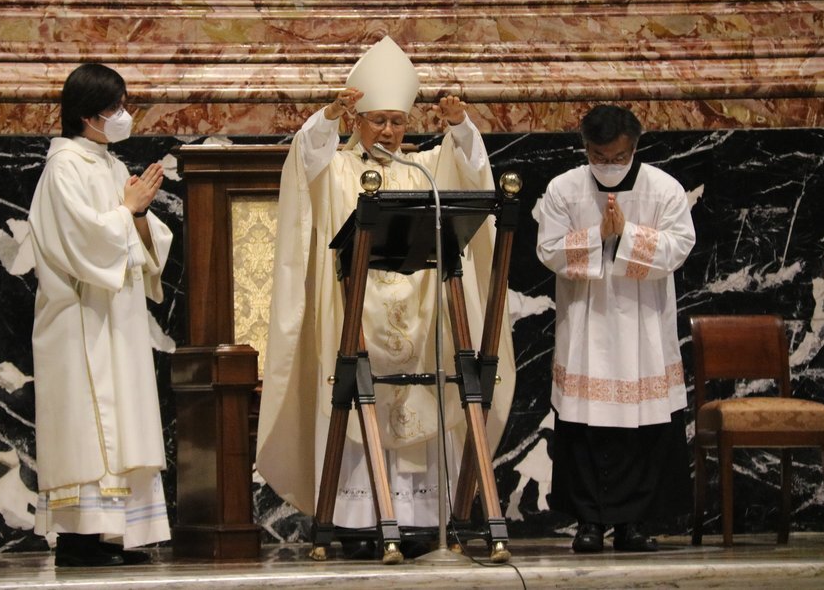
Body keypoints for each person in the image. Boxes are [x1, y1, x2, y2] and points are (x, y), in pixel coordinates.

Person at [255, 36, 516, 558]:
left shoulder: (425, 170)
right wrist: (327, 118)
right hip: (352, 312)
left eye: (398, 121)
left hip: (423, 317)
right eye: (378, 121)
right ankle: (357, 522)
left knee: (425, 398)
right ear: (359, 121)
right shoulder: (339, 168)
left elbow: (471, 168)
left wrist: (461, 126)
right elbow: (304, 161)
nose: (390, 131)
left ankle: (419, 520)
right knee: (358, 402)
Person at [533, 104, 696, 553]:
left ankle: (633, 525)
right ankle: (588, 523)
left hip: (644, 325)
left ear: (635, 147)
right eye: (599, 157)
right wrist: (599, 237)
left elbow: (680, 247)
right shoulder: (563, 188)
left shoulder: (663, 188)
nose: (608, 165)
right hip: (587, 323)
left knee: (644, 428)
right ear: (585, 147)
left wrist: (627, 235)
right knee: (584, 427)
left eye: (618, 157)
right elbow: (548, 250)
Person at [28, 63, 173, 567]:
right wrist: (126, 212)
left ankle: (116, 534)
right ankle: (78, 539)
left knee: (124, 421)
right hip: (80, 319)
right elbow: (80, 241)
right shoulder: (63, 168)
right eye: (113, 108)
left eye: (123, 106)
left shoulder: (109, 164)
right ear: (86, 115)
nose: (122, 116)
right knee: (88, 428)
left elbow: (139, 237)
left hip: (119, 316)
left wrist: (138, 213)